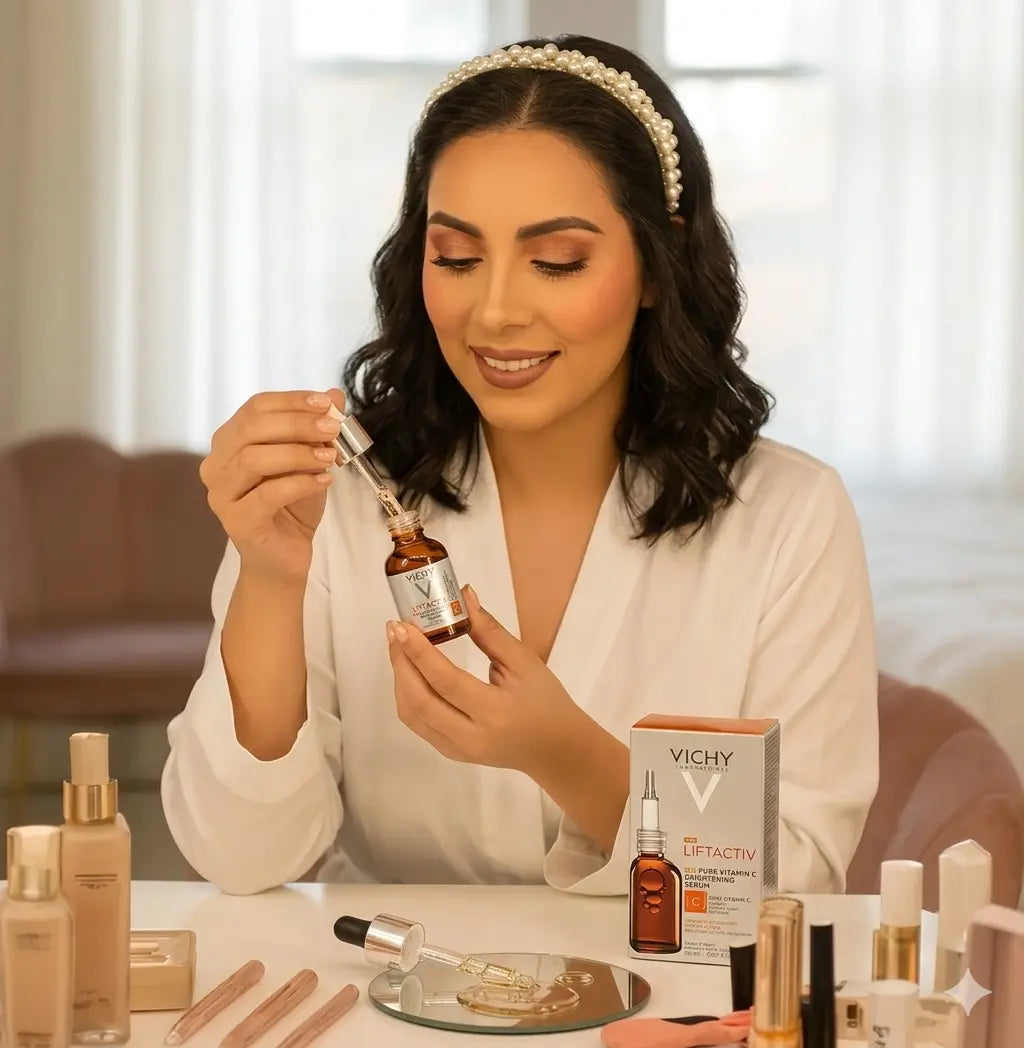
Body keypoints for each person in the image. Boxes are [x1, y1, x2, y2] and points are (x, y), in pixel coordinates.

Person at [161, 34, 879, 896]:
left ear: (657, 263)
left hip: (669, 1013)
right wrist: (269, 582)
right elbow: (240, 860)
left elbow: (798, 880)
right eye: (457, 258)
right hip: (388, 1009)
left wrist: (567, 757)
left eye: (556, 261)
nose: (495, 310)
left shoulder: (789, 518)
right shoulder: (336, 504)